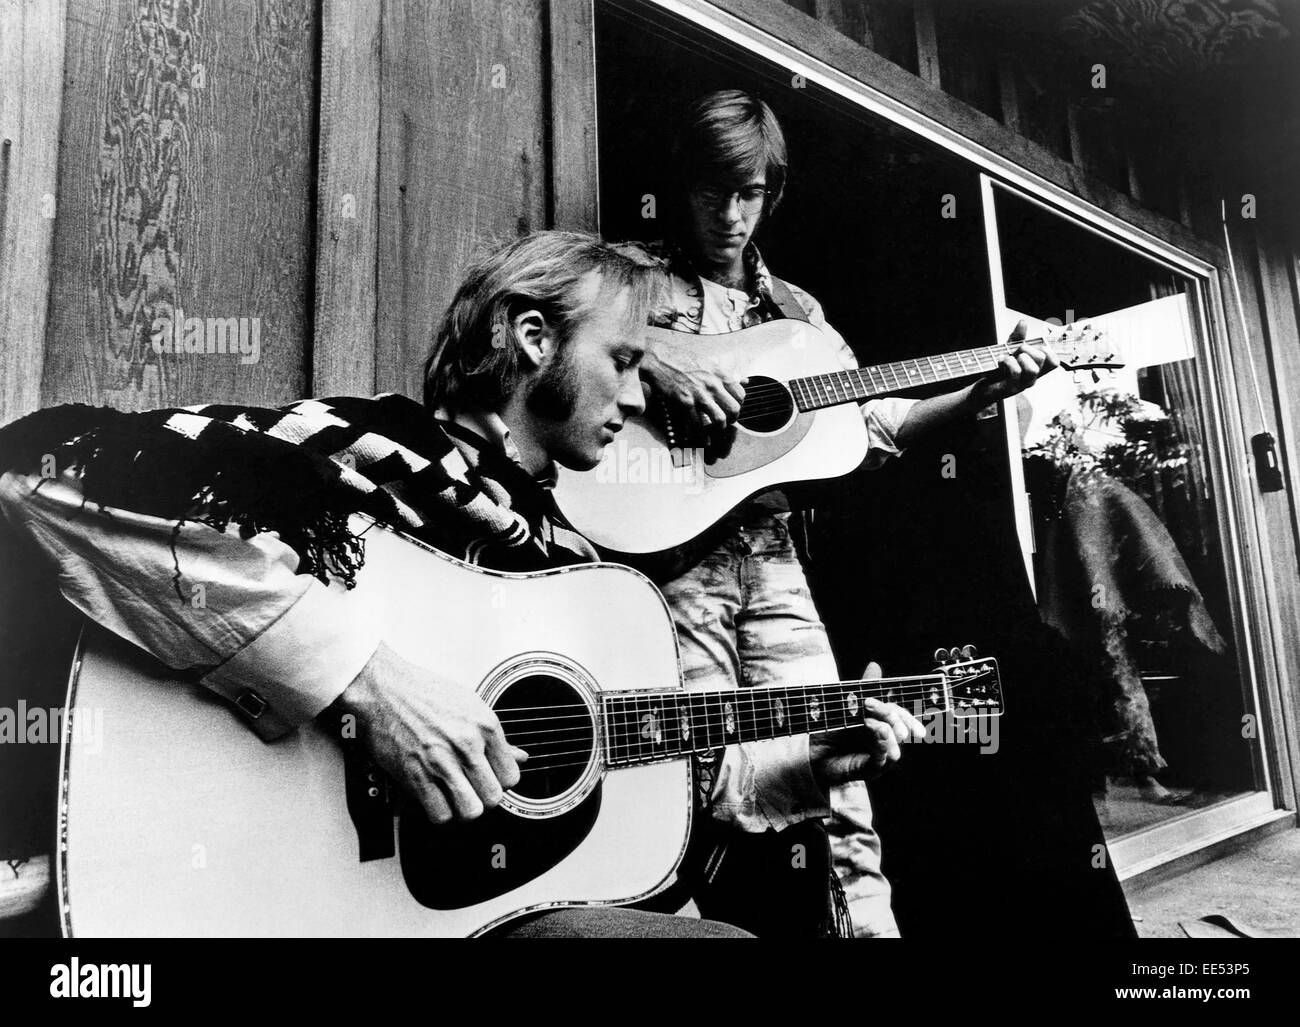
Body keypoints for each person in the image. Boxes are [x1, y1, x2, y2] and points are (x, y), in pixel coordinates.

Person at [0, 230, 924, 938]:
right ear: (530, 339)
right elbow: (39, 474)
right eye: (625, 362)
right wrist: (366, 680)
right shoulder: (363, 452)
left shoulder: (578, 572)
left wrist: (811, 765)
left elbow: (664, 779)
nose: (641, 400)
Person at [635, 90, 1058, 937]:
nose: (730, 213)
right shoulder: (623, 278)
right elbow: (540, 329)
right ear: (684, 186)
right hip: (668, 554)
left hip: (773, 553)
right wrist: (660, 353)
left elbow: (878, 426)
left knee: (841, 760)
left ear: (773, 193)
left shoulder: (801, 319)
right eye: (714, 189)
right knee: (688, 772)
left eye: (750, 192)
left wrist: (984, 390)